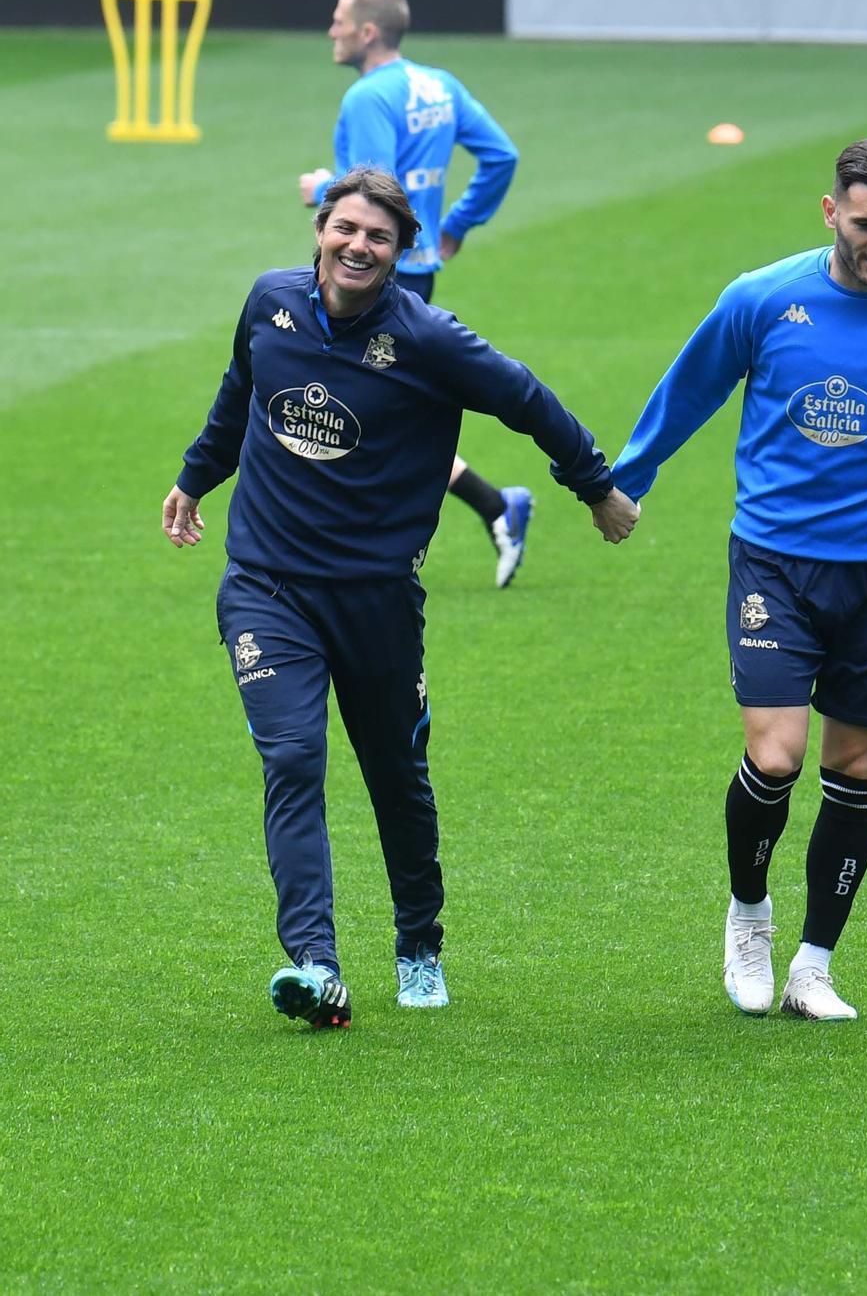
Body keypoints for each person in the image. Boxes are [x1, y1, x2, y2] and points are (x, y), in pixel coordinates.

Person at [164, 166, 641, 1028]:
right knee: (292, 759)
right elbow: (242, 391)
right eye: (345, 228)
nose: (358, 246)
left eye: (378, 237)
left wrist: (597, 486)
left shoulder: (428, 340)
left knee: (396, 777)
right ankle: (315, 963)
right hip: (266, 588)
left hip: (376, 601)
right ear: (320, 228)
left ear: (400, 252)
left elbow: (526, 398)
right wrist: (196, 479)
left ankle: (419, 941)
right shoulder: (268, 303)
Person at [609, 140, 867, 1021]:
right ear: (830, 211)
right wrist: (625, 483)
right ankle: (751, 919)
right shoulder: (762, 298)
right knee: (776, 755)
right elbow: (690, 391)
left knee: (857, 767)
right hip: (774, 562)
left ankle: (813, 965)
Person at [297, 0, 536, 589]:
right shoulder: (439, 85)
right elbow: (501, 155)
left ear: (367, 32)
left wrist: (325, 190)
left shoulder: (368, 98)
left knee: (349, 408)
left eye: (339, 20)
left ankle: (368, 540)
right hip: (417, 267)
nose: (332, 30)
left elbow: (372, 188)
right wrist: (455, 224)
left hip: (371, 274)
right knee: (376, 407)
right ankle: (493, 509)